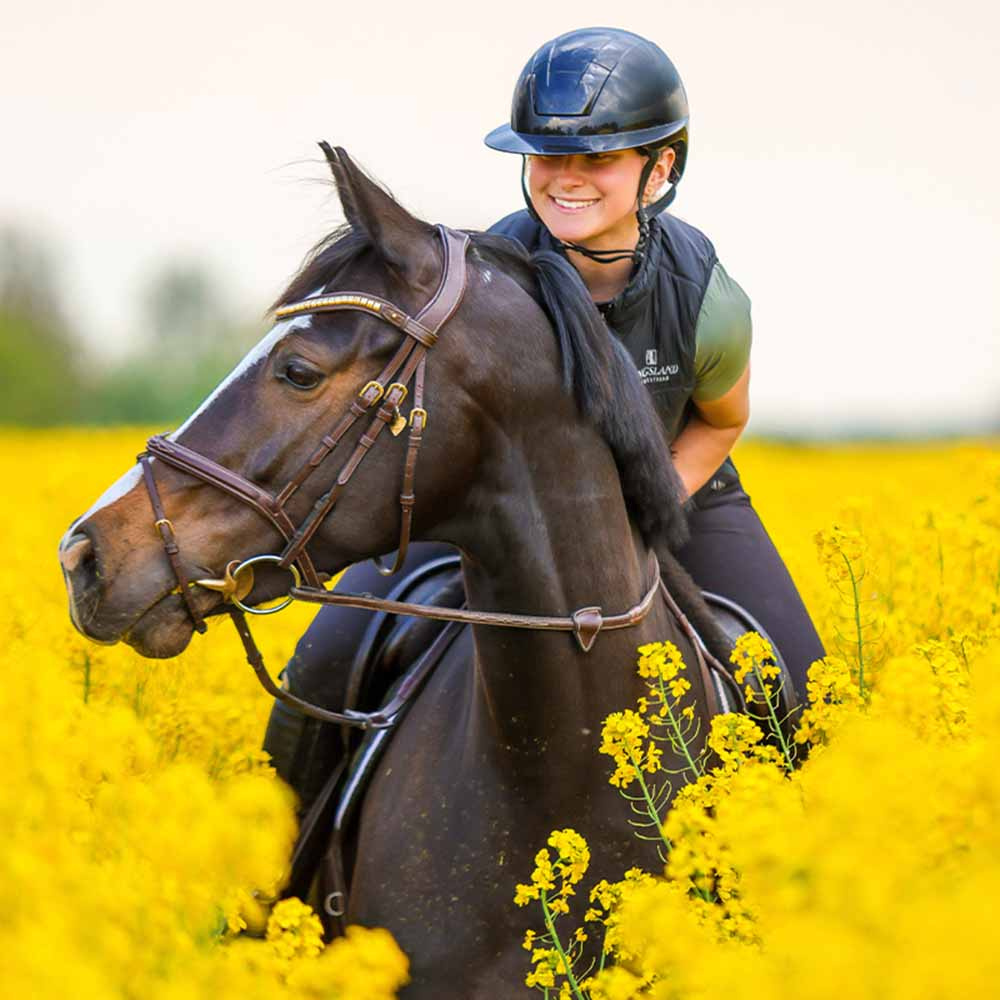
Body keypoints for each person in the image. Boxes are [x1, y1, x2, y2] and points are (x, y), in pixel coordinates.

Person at [263, 26, 825, 814]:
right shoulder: (483, 282)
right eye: (547, 156)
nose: (566, 179)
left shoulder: (707, 298)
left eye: (597, 158)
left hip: (676, 488)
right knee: (325, 655)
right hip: (498, 507)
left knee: (801, 679)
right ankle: (271, 881)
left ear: (660, 169)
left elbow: (721, 423)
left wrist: (645, 505)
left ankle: (806, 890)